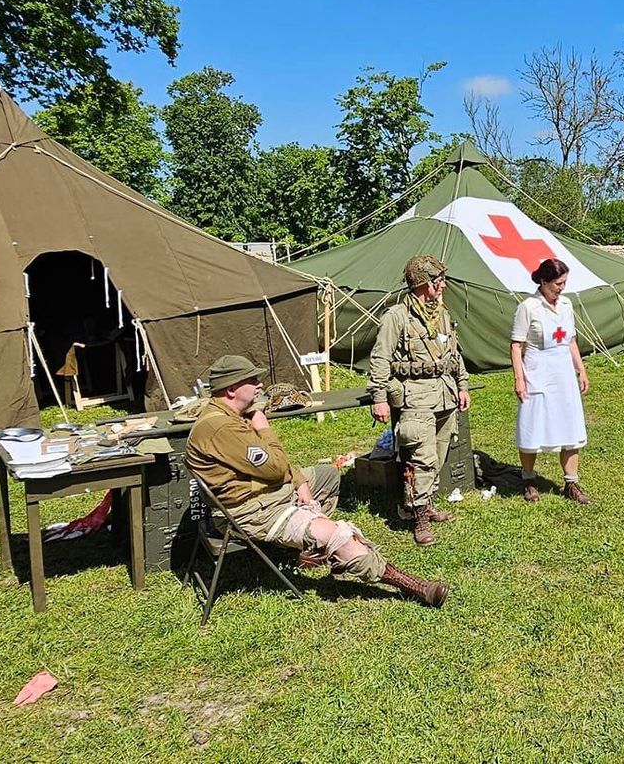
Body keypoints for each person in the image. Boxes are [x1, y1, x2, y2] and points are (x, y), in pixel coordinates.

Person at [186, 355, 449, 607]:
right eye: (252, 381)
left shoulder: (230, 415)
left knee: (328, 476)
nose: (260, 385)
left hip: (269, 491)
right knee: (340, 536)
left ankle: (312, 547)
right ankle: (411, 584)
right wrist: (263, 426)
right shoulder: (223, 428)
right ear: (232, 390)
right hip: (256, 510)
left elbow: (271, 466)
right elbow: (275, 468)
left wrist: (300, 482)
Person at [368, 254, 471, 546]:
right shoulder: (396, 317)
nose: (444, 285)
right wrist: (379, 397)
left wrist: (462, 384)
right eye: (439, 281)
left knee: (438, 456)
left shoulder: (442, 313)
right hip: (415, 397)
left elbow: (454, 353)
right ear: (425, 284)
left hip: (444, 394)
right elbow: (380, 358)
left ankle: (422, 504)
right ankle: (419, 517)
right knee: (421, 458)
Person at [511, 257, 592, 505]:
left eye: (564, 282)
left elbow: (570, 341)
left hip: (563, 372)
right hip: (537, 370)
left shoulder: (566, 305)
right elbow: (516, 346)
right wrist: (520, 379)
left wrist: (581, 369)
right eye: (558, 283)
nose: (561, 288)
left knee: (570, 426)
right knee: (532, 424)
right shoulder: (528, 307)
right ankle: (529, 479)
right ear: (543, 282)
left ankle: (571, 483)